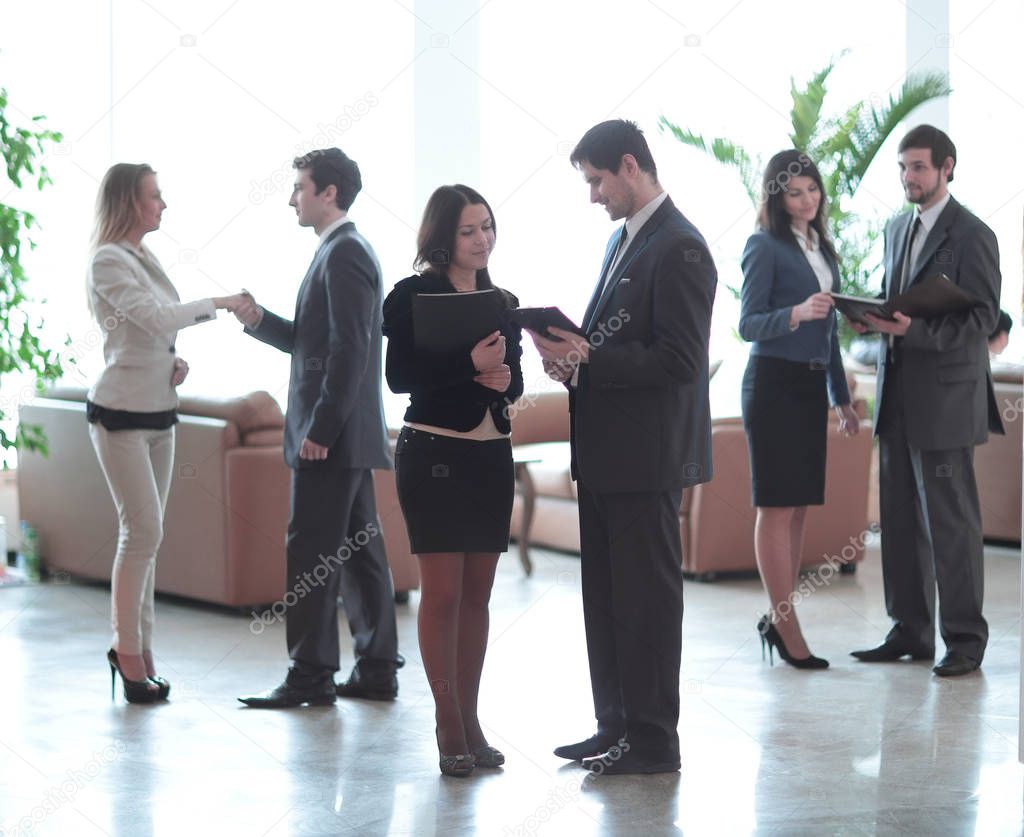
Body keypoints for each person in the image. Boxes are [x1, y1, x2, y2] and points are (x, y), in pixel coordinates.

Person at [528, 120, 717, 775]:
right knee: (606, 597)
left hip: (647, 457)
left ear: (630, 166)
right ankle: (616, 727)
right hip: (608, 454)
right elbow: (615, 349)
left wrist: (590, 359)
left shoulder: (682, 248)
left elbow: (681, 359)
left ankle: (654, 739)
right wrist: (575, 363)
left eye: (596, 180)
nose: (593, 195)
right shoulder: (622, 241)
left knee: (646, 601)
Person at [234, 148, 401, 707]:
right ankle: (376, 669)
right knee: (359, 551)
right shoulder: (339, 250)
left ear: (329, 192)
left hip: (333, 436)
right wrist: (258, 320)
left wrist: (322, 429)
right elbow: (317, 342)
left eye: (299, 187)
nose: (291, 199)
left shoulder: (345, 252)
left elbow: (352, 352)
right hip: (346, 436)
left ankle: (309, 675)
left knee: (309, 550)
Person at [87, 163, 246, 703]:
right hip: (120, 415)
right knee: (142, 532)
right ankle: (125, 652)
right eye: (155, 196)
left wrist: (171, 364)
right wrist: (220, 305)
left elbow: (148, 335)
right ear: (130, 201)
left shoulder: (143, 256)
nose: (163, 204)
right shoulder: (107, 259)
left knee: (148, 539)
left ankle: (141, 653)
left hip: (159, 410)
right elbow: (155, 318)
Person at [848, 125, 1003, 677]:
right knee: (899, 517)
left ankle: (964, 639)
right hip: (896, 394)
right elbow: (899, 303)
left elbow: (984, 319)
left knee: (950, 524)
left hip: (945, 399)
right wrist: (873, 318)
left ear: (946, 167)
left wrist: (914, 331)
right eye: (902, 168)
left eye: (918, 167)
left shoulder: (972, 235)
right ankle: (909, 630)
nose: (908, 177)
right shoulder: (895, 228)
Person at [382, 184, 523, 777]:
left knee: (478, 597)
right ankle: (446, 723)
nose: (482, 239)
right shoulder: (411, 296)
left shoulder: (503, 299)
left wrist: (503, 382)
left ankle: (471, 717)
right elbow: (399, 378)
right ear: (442, 236)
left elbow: (512, 383)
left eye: (487, 226)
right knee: (441, 596)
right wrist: (470, 367)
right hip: (433, 454)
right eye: (469, 230)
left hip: (491, 457)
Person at [738, 150, 860, 669]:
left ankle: (779, 616)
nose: (806, 199)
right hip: (772, 385)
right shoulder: (763, 246)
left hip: (811, 389)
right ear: (777, 196)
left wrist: (842, 398)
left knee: (799, 507)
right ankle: (785, 623)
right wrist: (793, 313)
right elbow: (748, 324)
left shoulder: (822, 247)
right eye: (795, 191)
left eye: (812, 189)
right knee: (777, 507)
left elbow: (828, 330)